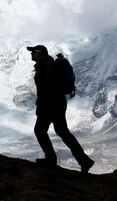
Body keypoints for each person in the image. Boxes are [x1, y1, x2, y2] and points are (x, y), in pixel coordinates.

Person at [27, 45, 94, 173]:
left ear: (40, 53)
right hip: (58, 101)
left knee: (40, 130)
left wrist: (42, 103)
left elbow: (47, 85)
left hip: (50, 103)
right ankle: (84, 161)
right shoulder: (48, 63)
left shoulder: (45, 64)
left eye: (34, 52)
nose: (32, 54)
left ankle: (51, 159)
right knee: (62, 131)